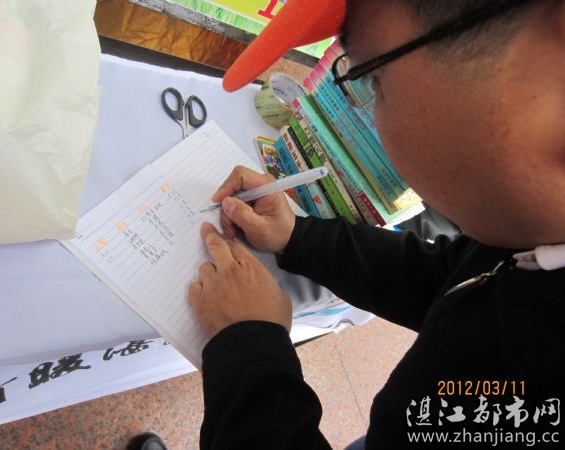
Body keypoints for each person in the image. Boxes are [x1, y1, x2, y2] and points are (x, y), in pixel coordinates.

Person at [185, 0, 565, 448]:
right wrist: (299, 236)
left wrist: (247, 348)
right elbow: (448, 275)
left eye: (372, 78)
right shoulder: (527, 233)